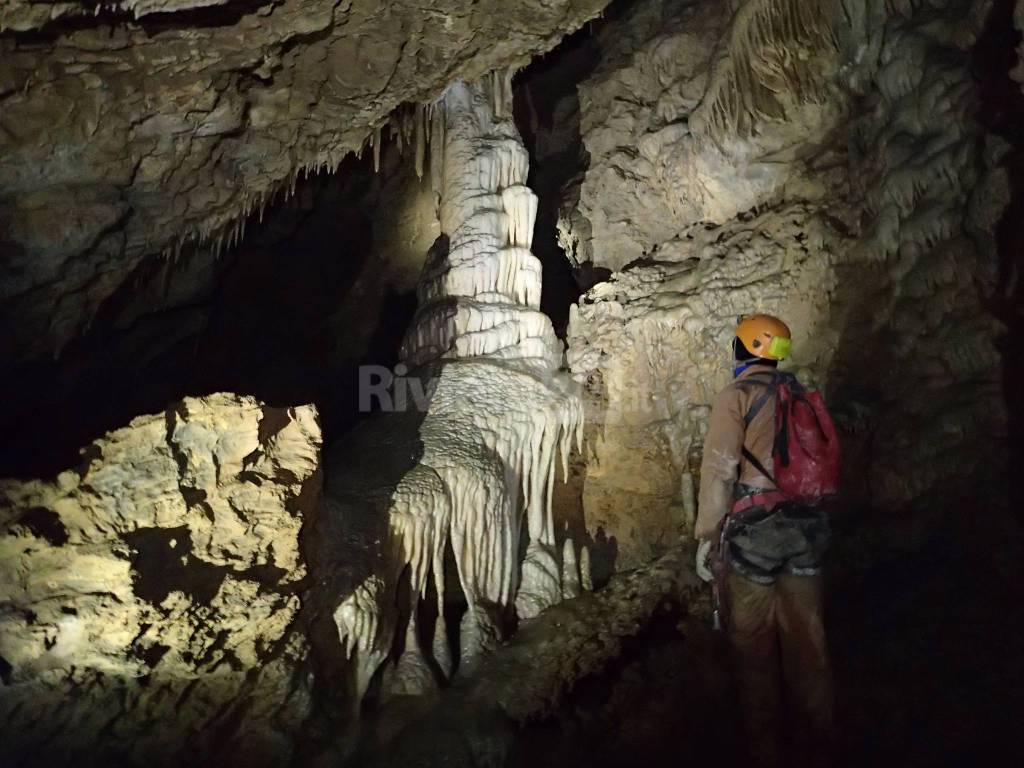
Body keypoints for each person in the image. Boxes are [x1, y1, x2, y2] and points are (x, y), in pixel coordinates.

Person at [694, 314, 834, 768]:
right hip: (806, 531)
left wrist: (708, 535)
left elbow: (719, 471)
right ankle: (818, 745)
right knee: (807, 642)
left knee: (753, 644)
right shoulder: (798, 394)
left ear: (746, 349)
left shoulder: (738, 396)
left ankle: (765, 751)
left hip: (756, 536)